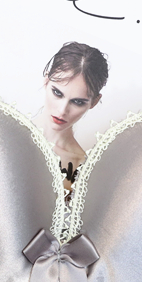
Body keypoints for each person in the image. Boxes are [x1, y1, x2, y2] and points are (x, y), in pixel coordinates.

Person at [36, 42, 109, 192]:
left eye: (78, 102)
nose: (62, 110)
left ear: (94, 102)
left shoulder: (81, 169)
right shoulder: (5, 132)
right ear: (46, 81)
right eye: (57, 93)